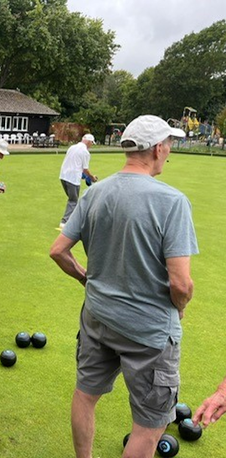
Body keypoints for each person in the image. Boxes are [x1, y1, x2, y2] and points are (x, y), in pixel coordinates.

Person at [49, 115, 197, 458]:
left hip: (97, 316)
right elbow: (181, 283)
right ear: (158, 149)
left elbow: (58, 251)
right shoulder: (172, 201)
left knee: (85, 395)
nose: (170, 152)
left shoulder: (95, 192)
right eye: (169, 145)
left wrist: (89, 280)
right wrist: (181, 305)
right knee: (149, 426)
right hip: (149, 330)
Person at [59, 133, 97, 229]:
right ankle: (65, 221)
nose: (91, 145)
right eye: (92, 143)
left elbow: (74, 163)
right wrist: (92, 177)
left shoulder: (72, 147)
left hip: (63, 176)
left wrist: (82, 175)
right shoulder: (85, 152)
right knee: (73, 200)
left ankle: (75, 218)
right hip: (73, 179)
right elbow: (85, 169)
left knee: (73, 199)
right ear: (89, 142)